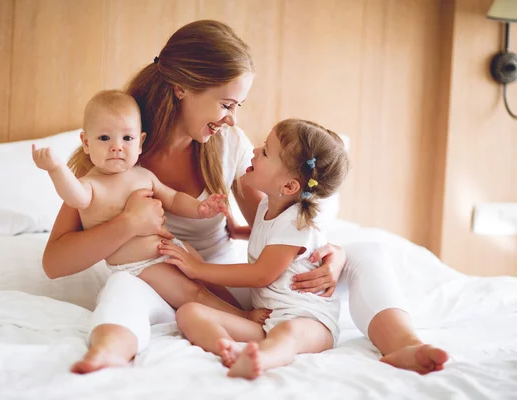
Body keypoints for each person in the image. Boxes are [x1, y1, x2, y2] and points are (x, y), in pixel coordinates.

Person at [42, 19, 448, 375]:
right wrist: (127, 224)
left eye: (238, 105)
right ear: (182, 87)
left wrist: (330, 251)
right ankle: (109, 352)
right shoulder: (116, 148)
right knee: (122, 289)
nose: (233, 118)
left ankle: (404, 345)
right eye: (226, 103)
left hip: (226, 282)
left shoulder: (228, 144)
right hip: (160, 282)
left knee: (368, 253)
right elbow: (55, 262)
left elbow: (272, 224)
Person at [32, 90, 269, 373]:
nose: (117, 147)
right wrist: (56, 169)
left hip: (172, 249)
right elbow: (74, 197)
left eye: (127, 139)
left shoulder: (143, 175)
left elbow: (173, 199)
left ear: (140, 141)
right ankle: (108, 349)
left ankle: (239, 314)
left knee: (206, 280)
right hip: (142, 266)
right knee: (192, 293)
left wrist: (201, 208)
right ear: (85, 142)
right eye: (104, 138)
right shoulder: (92, 184)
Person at [159, 119, 349, 379]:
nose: (255, 152)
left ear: (289, 187)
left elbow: (262, 274)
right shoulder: (267, 207)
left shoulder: (296, 224)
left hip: (309, 321)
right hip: (266, 321)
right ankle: (225, 349)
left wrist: (199, 270)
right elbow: (268, 238)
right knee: (188, 313)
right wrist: (238, 230)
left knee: (288, 335)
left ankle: (263, 358)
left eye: (266, 152)